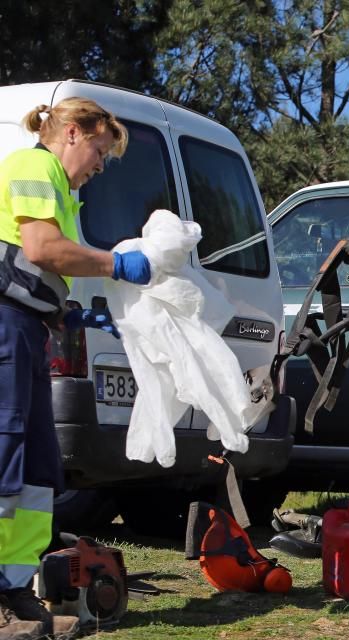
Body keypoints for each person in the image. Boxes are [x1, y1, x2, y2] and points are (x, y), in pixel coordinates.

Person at [0, 99, 151, 640]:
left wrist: (64, 309)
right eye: (99, 151)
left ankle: (16, 591)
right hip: (5, 327)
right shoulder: (33, 166)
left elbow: (26, 258)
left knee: (39, 469)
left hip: (27, 328)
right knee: (4, 453)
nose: (100, 166)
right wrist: (114, 263)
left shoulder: (62, 190)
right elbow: (41, 247)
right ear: (69, 133)